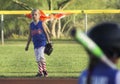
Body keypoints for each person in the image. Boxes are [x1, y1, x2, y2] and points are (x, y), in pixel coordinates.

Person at [25, 9, 51, 77]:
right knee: (37, 58)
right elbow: (30, 36)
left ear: (39, 15)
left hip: (42, 43)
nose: (34, 16)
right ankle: (41, 72)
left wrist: (49, 42)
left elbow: (46, 33)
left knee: (41, 56)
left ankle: (44, 70)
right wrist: (27, 45)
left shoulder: (41, 23)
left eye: (35, 14)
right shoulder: (31, 25)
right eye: (32, 14)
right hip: (35, 44)